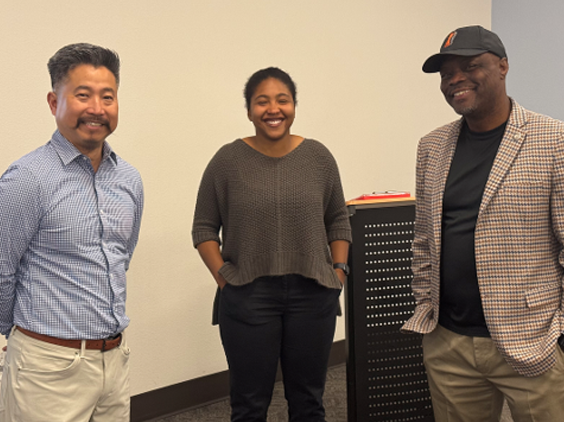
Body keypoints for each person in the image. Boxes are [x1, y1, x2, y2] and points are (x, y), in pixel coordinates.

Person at [402, 25, 564, 421]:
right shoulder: (431, 146)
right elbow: (424, 239)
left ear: (503, 66)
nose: (455, 79)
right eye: (446, 73)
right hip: (449, 344)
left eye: (470, 66)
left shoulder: (554, 139)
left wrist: (561, 333)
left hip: (535, 340)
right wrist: (426, 305)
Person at [192, 67, 351, 422]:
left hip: (313, 294)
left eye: (283, 100)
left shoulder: (318, 157)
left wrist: (339, 272)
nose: (273, 109)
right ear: (249, 110)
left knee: (309, 402)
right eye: (262, 101)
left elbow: (338, 219)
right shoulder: (227, 161)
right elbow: (203, 227)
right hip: (249, 296)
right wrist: (225, 279)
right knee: (249, 405)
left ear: (294, 106)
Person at [0, 43, 144, 421]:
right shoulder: (27, 179)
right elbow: (2, 269)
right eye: (83, 95)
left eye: (107, 96)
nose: (97, 108)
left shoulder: (129, 179)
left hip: (114, 361)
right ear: (54, 102)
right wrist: (22, 339)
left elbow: (119, 259)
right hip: (47, 368)